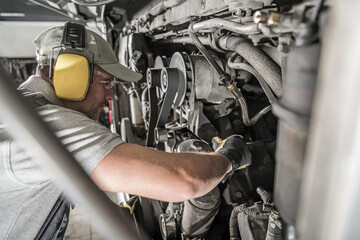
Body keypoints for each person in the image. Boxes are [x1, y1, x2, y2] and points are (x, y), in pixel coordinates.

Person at [0, 23, 251, 239]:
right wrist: (230, 157)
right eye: (106, 83)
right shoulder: (45, 126)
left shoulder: (28, 112)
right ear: (70, 72)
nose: (110, 96)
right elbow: (184, 180)